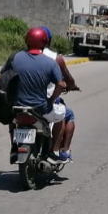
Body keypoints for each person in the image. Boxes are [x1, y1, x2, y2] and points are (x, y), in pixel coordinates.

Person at [1, 27, 68, 163]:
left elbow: (3, 76)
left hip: (17, 106)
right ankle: (52, 152)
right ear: (45, 42)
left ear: (27, 41)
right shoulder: (50, 62)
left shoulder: (14, 57)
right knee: (62, 115)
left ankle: (14, 146)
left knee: (12, 121)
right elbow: (61, 85)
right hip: (41, 108)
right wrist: (51, 100)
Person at [36, 27, 78, 162]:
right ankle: (60, 151)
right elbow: (65, 82)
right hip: (45, 102)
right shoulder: (55, 58)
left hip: (23, 102)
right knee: (67, 114)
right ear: (49, 41)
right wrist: (70, 86)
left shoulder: (20, 57)